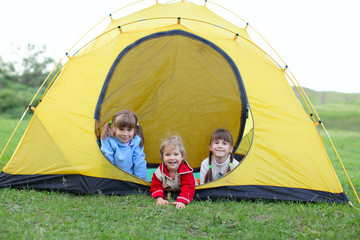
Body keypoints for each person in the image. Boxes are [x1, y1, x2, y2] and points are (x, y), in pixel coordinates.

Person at [150, 135, 196, 209]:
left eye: (176, 154)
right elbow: (156, 185)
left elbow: (188, 187)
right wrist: (159, 198)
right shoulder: (160, 171)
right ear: (162, 157)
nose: (172, 158)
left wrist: (182, 201)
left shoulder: (186, 171)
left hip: (187, 190)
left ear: (182, 157)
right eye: (167, 154)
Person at [100, 110, 147, 180]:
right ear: (114, 129)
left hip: (130, 177)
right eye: (121, 129)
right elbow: (108, 162)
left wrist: (141, 181)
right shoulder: (108, 140)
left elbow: (139, 162)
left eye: (129, 130)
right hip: (112, 178)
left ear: (134, 130)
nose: (125, 134)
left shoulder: (136, 141)